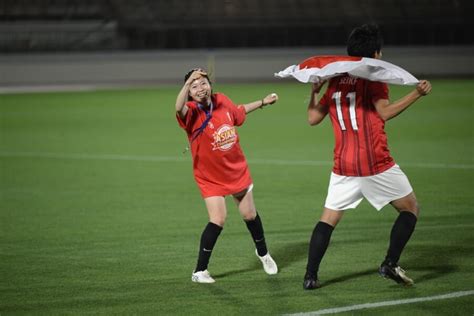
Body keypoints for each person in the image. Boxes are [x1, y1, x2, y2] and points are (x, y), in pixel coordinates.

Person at [303, 24, 432, 290]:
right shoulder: (374, 78)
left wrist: (315, 91)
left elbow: (312, 118)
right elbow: (384, 112)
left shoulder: (337, 78)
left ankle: (310, 276)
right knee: (411, 208)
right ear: (375, 53)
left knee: (327, 220)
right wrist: (416, 94)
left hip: (344, 165)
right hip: (375, 162)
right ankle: (390, 263)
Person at [175, 68, 279, 283]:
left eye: (203, 83)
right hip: (209, 176)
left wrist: (263, 102)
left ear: (210, 85)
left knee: (250, 215)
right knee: (218, 219)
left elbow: (239, 112)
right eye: (194, 86)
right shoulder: (191, 111)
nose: (200, 88)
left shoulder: (221, 100)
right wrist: (187, 84)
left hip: (235, 169)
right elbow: (178, 107)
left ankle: (263, 254)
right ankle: (199, 271)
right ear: (189, 92)